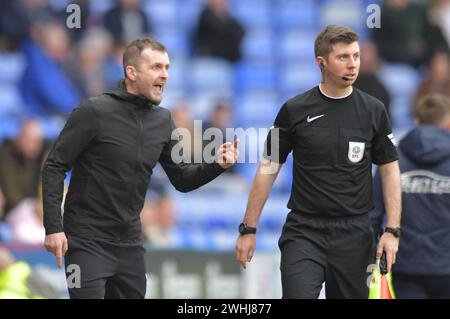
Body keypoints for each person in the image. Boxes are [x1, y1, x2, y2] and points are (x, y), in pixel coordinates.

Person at [42, 38, 239, 299]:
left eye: (167, 67)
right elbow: (54, 165)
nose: (165, 75)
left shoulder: (163, 120)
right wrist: (54, 227)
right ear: (131, 72)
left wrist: (217, 165)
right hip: (86, 242)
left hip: (130, 244)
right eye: (156, 67)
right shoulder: (94, 111)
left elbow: (181, 178)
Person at [235, 25, 402, 299]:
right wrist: (248, 228)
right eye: (343, 57)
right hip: (304, 231)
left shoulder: (374, 111)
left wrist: (392, 230)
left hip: (354, 234)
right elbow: (268, 167)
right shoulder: (293, 110)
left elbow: (390, 169)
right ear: (321, 63)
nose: (353, 64)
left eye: (356, 56)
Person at [371, 94, 450, 299]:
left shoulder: (392, 160)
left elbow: (373, 213)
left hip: (405, 264)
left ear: (416, 121)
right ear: (448, 122)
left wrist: (370, 258)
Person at [0, 120, 45, 215]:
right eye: (31, 141)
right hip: (12, 214)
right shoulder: (5, 156)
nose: (36, 146)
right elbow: (11, 194)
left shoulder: (31, 160)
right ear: (20, 138)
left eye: (38, 142)